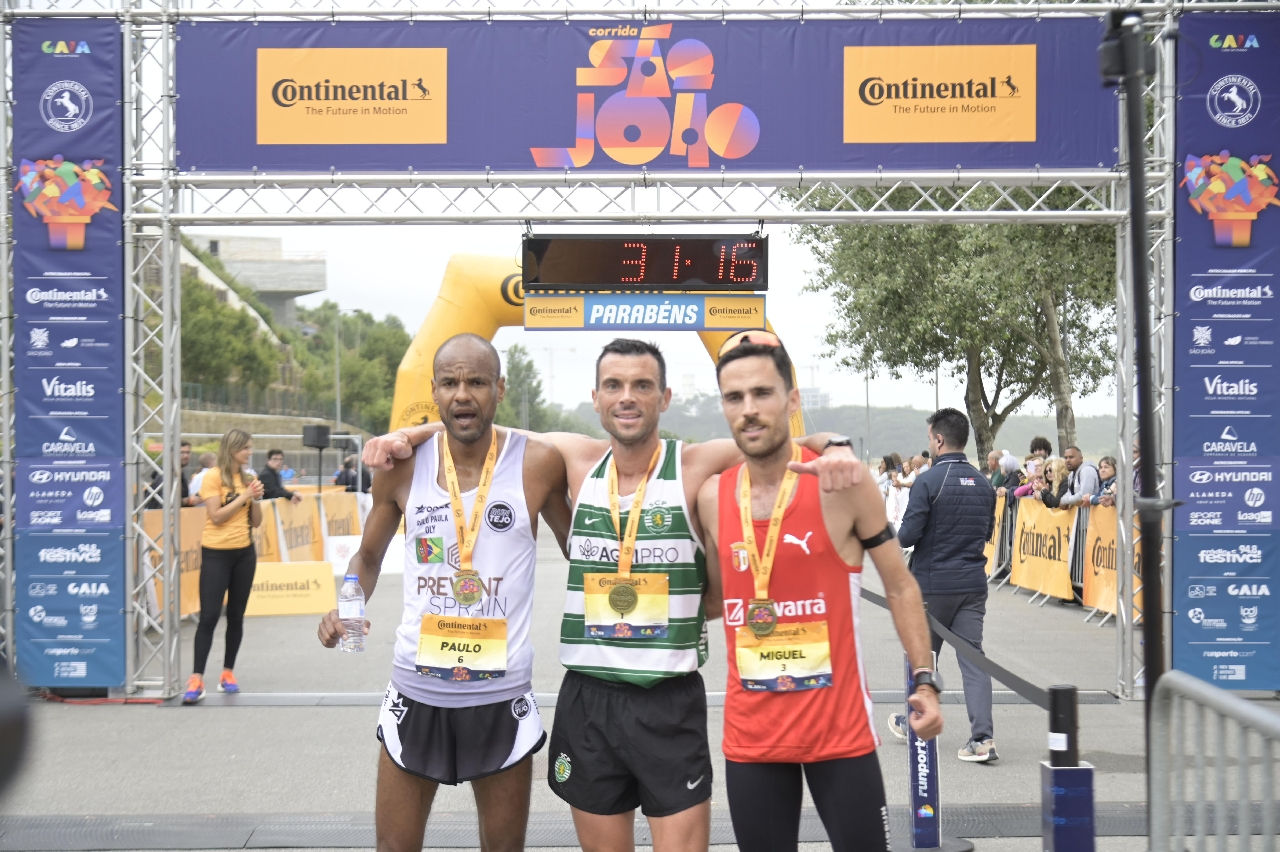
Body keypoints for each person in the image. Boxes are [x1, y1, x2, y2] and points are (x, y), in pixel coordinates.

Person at [362, 333, 859, 852]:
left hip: (668, 700)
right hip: (589, 698)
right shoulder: (573, 457)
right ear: (596, 398)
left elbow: (773, 437)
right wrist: (409, 433)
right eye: (614, 386)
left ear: (664, 398)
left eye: (642, 385)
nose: (627, 397)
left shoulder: (693, 463)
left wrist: (837, 443)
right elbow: (474, 423)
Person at [316, 334, 571, 852]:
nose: (463, 395)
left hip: (500, 696)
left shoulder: (538, 463)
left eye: (476, 382)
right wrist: (345, 610)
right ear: (433, 391)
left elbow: (582, 556)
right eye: (450, 383)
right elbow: (367, 557)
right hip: (417, 690)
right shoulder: (404, 466)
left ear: (500, 387)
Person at [697, 338, 942, 852]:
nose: (748, 409)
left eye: (763, 393)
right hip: (752, 739)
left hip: (840, 734)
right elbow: (714, 599)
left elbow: (900, 585)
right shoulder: (712, 495)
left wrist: (925, 679)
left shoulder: (843, 485)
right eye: (733, 397)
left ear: (791, 399)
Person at [890, 408, 999, 764]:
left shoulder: (928, 481)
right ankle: (982, 739)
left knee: (922, 658)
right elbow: (986, 534)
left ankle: (914, 724)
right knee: (973, 661)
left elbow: (907, 535)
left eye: (929, 438)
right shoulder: (984, 483)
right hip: (972, 584)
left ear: (938, 440)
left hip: (932, 585)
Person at [183, 429, 265, 704]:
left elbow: (257, 522)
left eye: (251, 448)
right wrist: (244, 497)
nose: (249, 452)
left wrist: (255, 499)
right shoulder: (213, 477)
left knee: (236, 615)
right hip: (216, 553)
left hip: (244, 552)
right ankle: (196, 677)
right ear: (232, 449)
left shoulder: (249, 478)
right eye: (246, 448)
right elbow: (216, 516)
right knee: (208, 617)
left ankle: (227, 673)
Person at [147, 440, 195, 509]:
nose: (186, 456)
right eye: (181, 453)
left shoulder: (180, 474)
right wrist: (186, 501)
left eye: (188, 452)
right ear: (171, 454)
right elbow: (164, 503)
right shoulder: (165, 475)